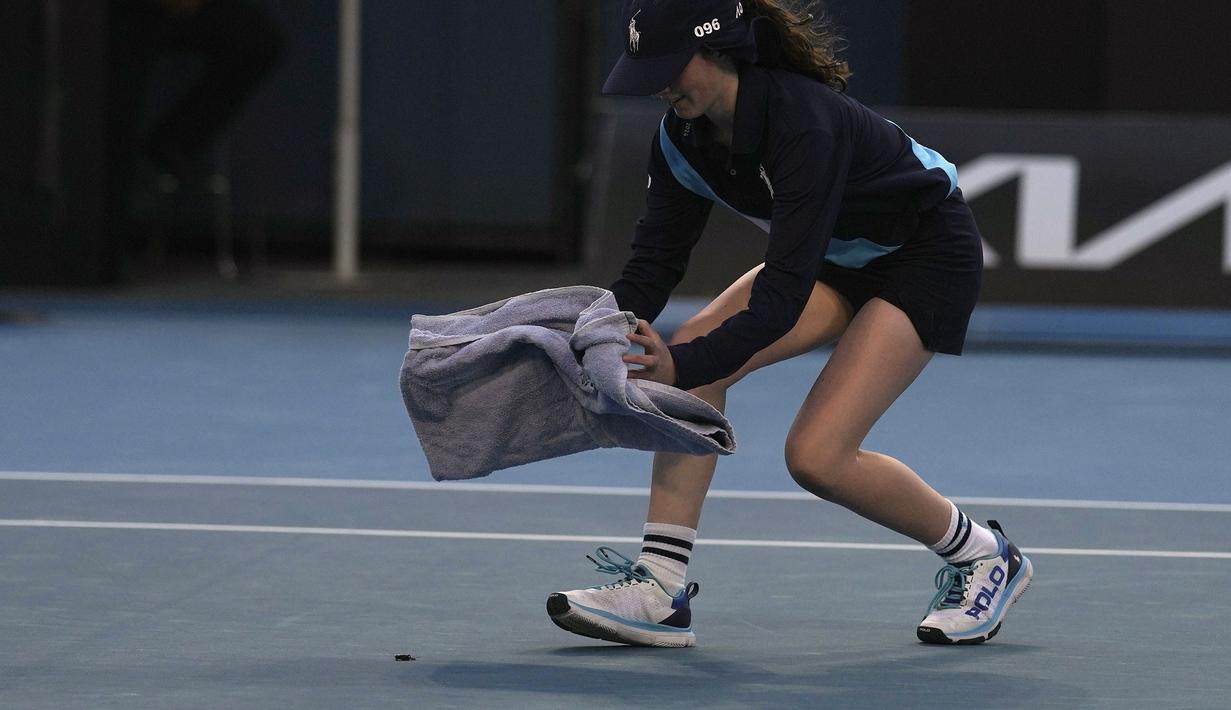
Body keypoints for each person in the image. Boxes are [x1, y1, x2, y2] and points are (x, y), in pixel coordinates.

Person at [546, 0, 1033, 647]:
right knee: (687, 365)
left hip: (924, 256)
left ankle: (982, 555)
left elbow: (778, 295)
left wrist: (678, 364)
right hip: (836, 257)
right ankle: (659, 589)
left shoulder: (801, 121)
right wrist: (588, 330)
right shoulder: (681, 139)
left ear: (715, 50)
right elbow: (651, 267)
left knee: (815, 458)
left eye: (671, 67)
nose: (661, 84)